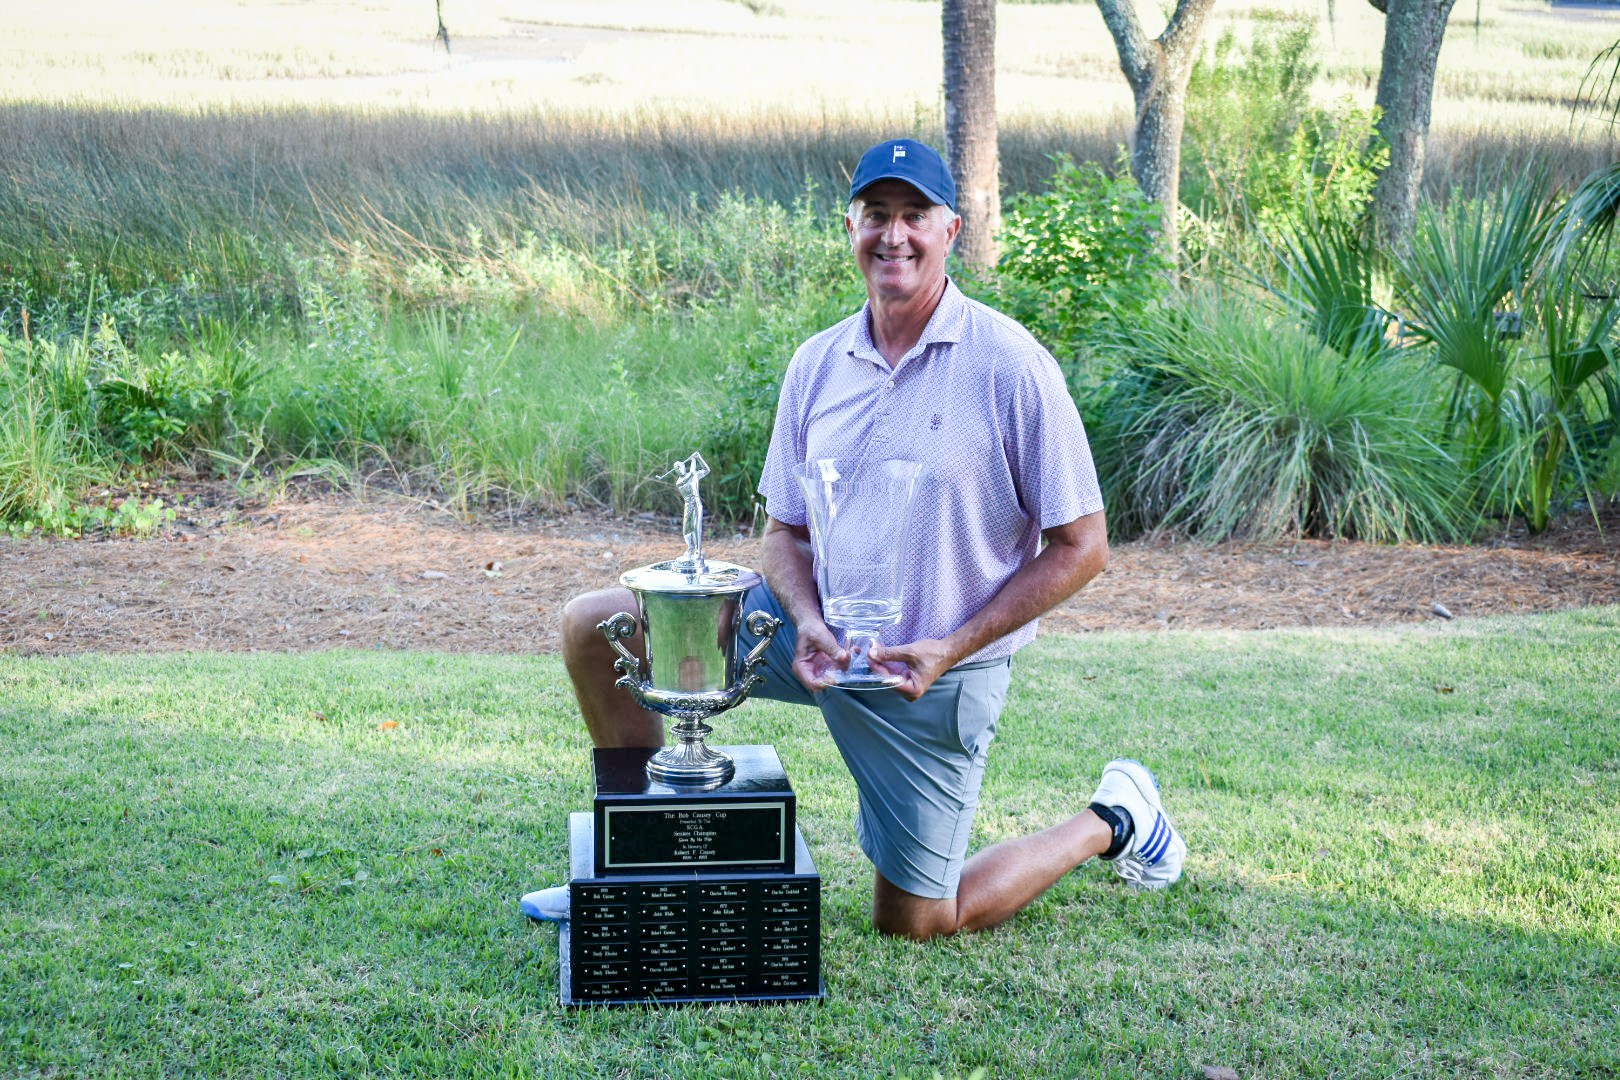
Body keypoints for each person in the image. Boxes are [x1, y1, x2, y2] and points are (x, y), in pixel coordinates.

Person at [524, 138, 1185, 939]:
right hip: (815, 639)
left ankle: (1113, 816)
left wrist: (951, 645)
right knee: (597, 627)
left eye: (916, 217)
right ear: (850, 227)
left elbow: (1084, 547)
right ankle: (631, 865)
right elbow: (783, 531)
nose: (894, 236)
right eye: (878, 215)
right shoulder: (817, 363)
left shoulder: (1012, 365)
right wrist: (803, 619)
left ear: (953, 231)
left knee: (917, 921)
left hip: (931, 675)